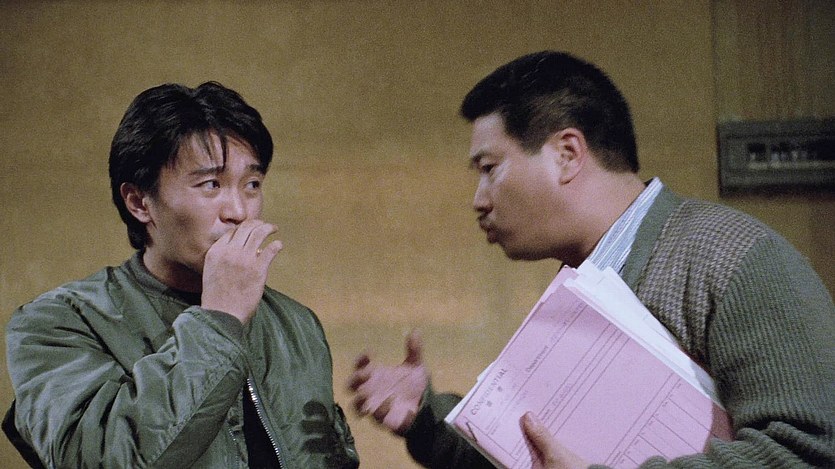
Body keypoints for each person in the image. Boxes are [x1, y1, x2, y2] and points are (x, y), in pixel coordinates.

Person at [348, 51, 835, 468]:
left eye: (490, 168)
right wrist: (425, 419)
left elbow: (809, 450)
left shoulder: (734, 257)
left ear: (567, 153)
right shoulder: (584, 282)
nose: (478, 200)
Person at [4, 82, 360, 468]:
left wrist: (408, 423)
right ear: (139, 202)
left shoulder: (297, 323)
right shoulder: (58, 322)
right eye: (211, 184)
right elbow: (101, 459)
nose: (239, 211)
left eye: (252, 185)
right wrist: (219, 322)